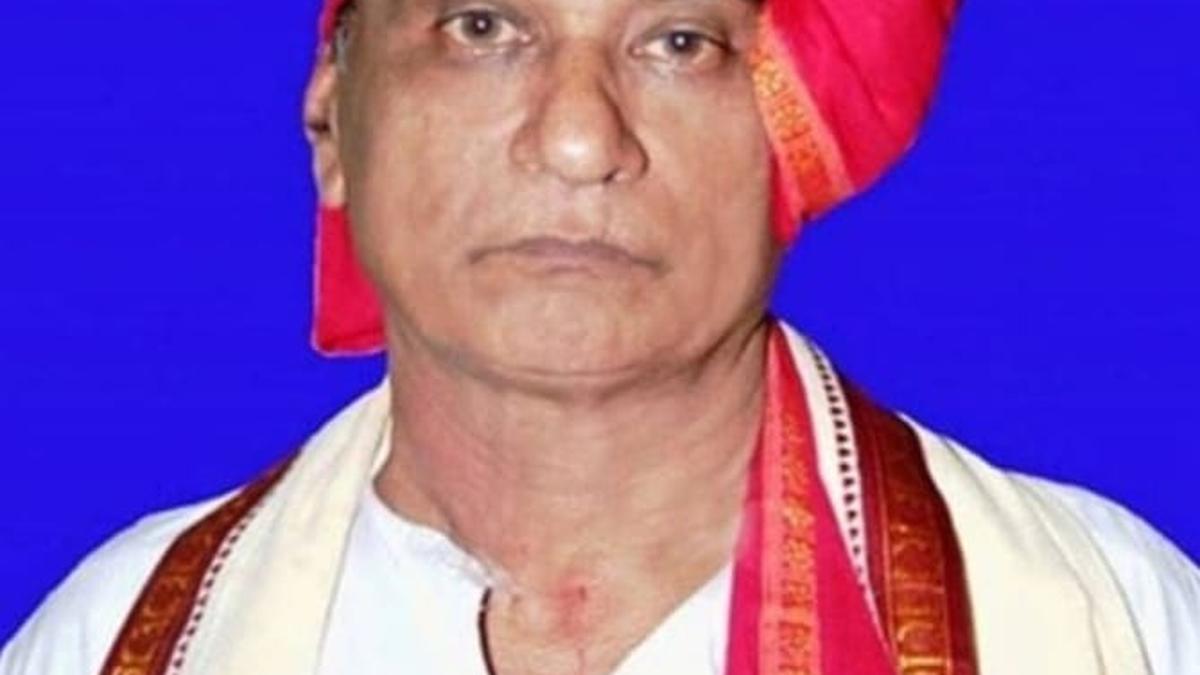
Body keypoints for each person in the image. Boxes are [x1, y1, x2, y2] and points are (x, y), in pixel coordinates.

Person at [3, 0, 1198, 672]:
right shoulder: (114, 639)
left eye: (679, 43)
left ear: (790, 137)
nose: (580, 140)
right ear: (330, 123)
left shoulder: (1118, 622)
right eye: (482, 26)